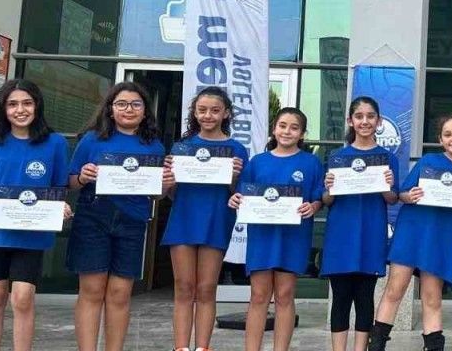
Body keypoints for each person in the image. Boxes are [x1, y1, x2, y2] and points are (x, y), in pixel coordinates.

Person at [0, 79, 71, 351]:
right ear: (3, 109)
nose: (20, 110)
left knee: (23, 298)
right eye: (12, 104)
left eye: (27, 103)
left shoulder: (55, 143)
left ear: (37, 105)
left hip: (32, 232)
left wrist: (60, 206)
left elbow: (59, 187)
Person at [67, 81, 168, 351]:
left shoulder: (154, 147)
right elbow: (70, 182)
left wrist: (165, 185)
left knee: (120, 293)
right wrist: (82, 176)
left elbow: (156, 195)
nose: (128, 109)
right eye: (121, 104)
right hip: (93, 217)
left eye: (136, 104)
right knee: (92, 290)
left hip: (132, 221)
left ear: (145, 111)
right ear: (110, 109)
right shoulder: (92, 139)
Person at [369, 116, 452, 351]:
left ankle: (434, 347)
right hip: (412, 232)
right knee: (395, 290)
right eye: (447, 134)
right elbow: (402, 194)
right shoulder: (428, 161)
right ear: (440, 140)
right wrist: (410, 196)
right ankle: (376, 345)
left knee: (432, 297)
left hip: (442, 238)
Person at [161, 87, 249, 351]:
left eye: (214, 110)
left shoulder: (236, 149)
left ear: (226, 113)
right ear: (195, 113)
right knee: (183, 287)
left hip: (216, 221)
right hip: (183, 219)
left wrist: (234, 177)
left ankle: (202, 348)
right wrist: (168, 183)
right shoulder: (182, 147)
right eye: (202, 110)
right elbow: (171, 194)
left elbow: (239, 194)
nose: (208, 115)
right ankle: (180, 348)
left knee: (207, 288)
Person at [230, 107, 324, 351]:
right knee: (259, 295)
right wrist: (236, 199)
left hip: (293, 237)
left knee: (284, 295)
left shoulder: (311, 163)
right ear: (274, 128)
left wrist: (314, 206)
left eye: (294, 127)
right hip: (262, 236)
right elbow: (242, 193)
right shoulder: (257, 162)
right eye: (282, 126)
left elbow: (319, 197)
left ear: (302, 134)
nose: (287, 131)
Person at [320, 97, 398, 351]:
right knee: (340, 298)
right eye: (359, 116)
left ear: (379, 121)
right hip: (341, 235)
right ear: (350, 121)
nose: (365, 121)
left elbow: (392, 198)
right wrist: (329, 189)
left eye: (370, 116)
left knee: (365, 298)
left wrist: (387, 184)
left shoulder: (387, 158)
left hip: (370, 234)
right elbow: (327, 200)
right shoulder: (337, 157)